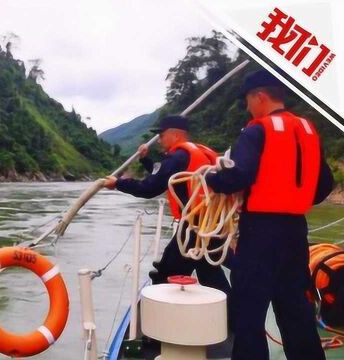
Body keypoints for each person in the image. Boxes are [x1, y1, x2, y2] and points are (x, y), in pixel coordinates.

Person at [205, 70, 334, 360]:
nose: (248, 109)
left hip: (260, 231)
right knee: (295, 309)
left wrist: (213, 179)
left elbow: (240, 175)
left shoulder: (256, 130)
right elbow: (325, 183)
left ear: (259, 96)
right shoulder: (308, 129)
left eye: (248, 102)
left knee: (249, 311)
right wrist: (296, 200)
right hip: (295, 231)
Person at [102, 115, 231, 297]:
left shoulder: (178, 157)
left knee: (165, 275)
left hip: (193, 230)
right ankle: (237, 321)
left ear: (175, 135)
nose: (160, 140)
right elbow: (163, 175)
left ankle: (157, 321)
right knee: (210, 275)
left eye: (162, 135)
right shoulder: (197, 153)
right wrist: (145, 160)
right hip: (211, 225)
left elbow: (150, 187)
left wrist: (118, 183)